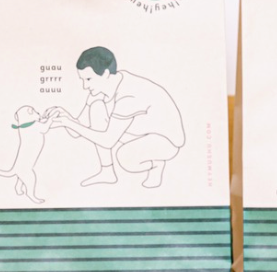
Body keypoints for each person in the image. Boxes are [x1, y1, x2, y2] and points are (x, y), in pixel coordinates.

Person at [44, 46, 185, 189]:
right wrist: (65, 118)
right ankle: (107, 172)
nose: (85, 86)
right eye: (82, 80)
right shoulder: (102, 87)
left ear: (105, 73)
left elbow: (107, 141)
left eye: (88, 79)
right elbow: (76, 131)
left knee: (126, 158)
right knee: (96, 107)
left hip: (166, 141)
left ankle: (156, 165)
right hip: (139, 132)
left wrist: (69, 123)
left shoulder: (129, 94)